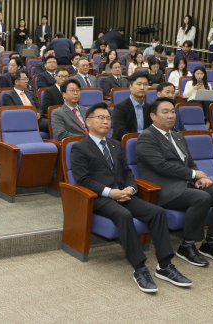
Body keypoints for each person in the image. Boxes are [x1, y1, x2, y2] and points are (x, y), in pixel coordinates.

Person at [73, 102, 193, 292]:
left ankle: (164, 265)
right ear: (88, 121)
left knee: (157, 212)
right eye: (100, 118)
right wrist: (110, 192)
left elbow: (128, 171)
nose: (105, 121)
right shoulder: (80, 147)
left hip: (123, 193)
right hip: (99, 197)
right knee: (123, 215)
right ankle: (139, 268)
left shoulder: (115, 144)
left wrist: (130, 187)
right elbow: (83, 180)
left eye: (108, 118)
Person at [137, 97, 213, 267]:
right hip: (164, 188)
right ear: (153, 116)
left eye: (173, 111)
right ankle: (186, 245)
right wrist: (193, 174)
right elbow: (161, 166)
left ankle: (210, 242)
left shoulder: (177, 136)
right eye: (165, 112)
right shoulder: (146, 137)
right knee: (202, 198)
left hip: (185, 184)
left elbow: (189, 162)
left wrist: (201, 177)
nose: (170, 115)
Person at [112, 72, 151, 140]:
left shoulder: (150, 107)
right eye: (139, 84)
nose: (142, 87)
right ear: (130, 87)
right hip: (126, 143)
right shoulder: (120, 107)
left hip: (146, 143)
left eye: (145, 84)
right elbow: (120, 132)